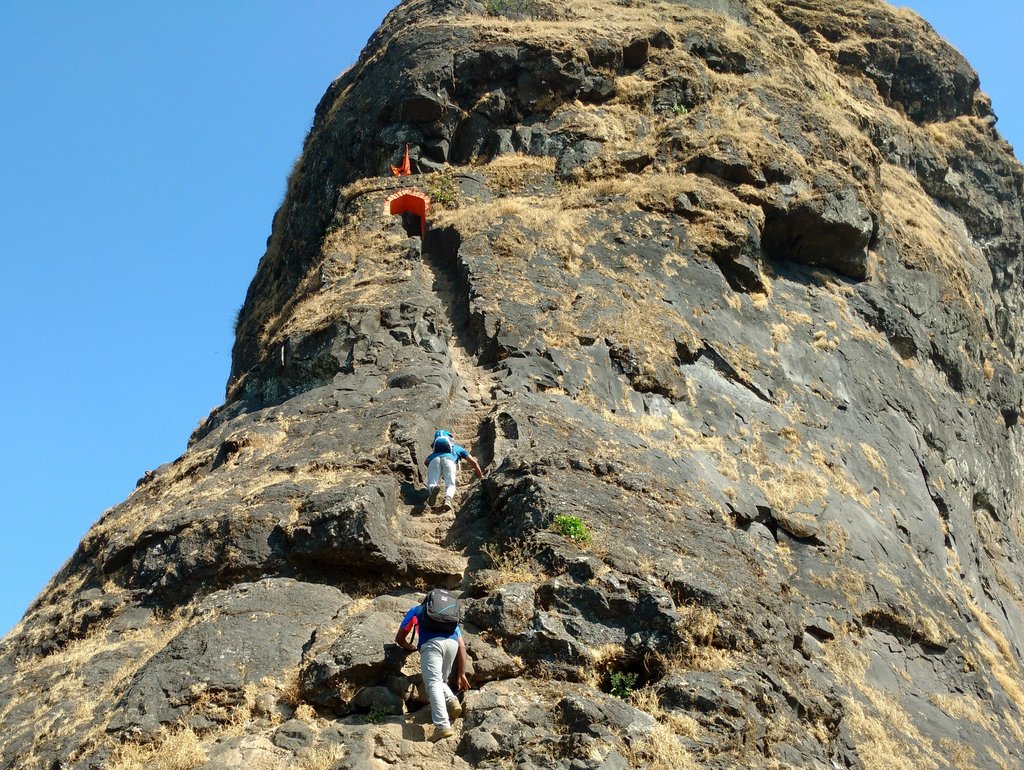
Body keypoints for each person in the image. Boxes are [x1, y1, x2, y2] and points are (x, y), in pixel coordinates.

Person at [395, 591, 471, 742]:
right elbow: (462, 646)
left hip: (432, 645)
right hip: (452, 645)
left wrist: (408, 646)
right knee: (440, 681)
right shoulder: (448, 617)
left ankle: (442, 726)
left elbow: (399, 638)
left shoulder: (416, 611)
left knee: (433, 684)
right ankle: (451, 701)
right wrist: (461, 674)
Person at [424, 429, 484, 511]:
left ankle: (433, 489)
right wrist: (480, 475)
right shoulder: (456, 448)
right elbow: (473, 462)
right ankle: (447, 500)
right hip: (449, 460)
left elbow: (426, 462)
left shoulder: (434, 451)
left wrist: (438, 471)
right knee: (450, 484)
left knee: (432, 482)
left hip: (434, 460)